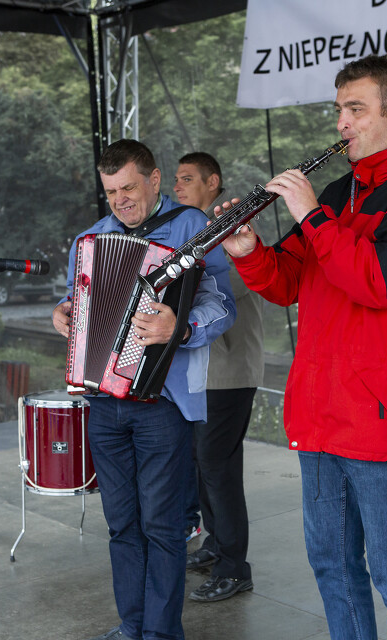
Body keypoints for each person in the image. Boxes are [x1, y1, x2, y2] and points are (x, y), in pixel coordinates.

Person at [217, 54, 387, 640]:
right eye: (339, 110)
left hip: (386, 421)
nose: (342, 123)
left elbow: (380, 281)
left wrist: (311, 215)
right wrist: (248, 250)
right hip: (321, 415)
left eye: (356, 109)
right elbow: (288, 282)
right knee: (332, 568)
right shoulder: (339, 191)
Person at [52, 139, 235, 640]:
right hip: (103, 400)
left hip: (163, 401)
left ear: (154, 180)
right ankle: (132, 625)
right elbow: (75, 302)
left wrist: (181, 328)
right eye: (111, 192)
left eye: (129, 188)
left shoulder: (193, 226)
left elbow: (223, 306)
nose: (120, 201)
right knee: (121, 524)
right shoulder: (90, 239)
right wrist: (62, 315)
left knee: (161, 524)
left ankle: (161, 632)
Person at [174, 152, 264, 603]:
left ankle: (234, 567)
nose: (177, 187)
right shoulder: (190, 230)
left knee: (217, 466)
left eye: (187, 178)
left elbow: (233, 287)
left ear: (213, 183)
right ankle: (215, 543)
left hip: (230, 370)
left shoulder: (231, 227)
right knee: (202, 463)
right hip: (201, 371)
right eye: (175, 179)